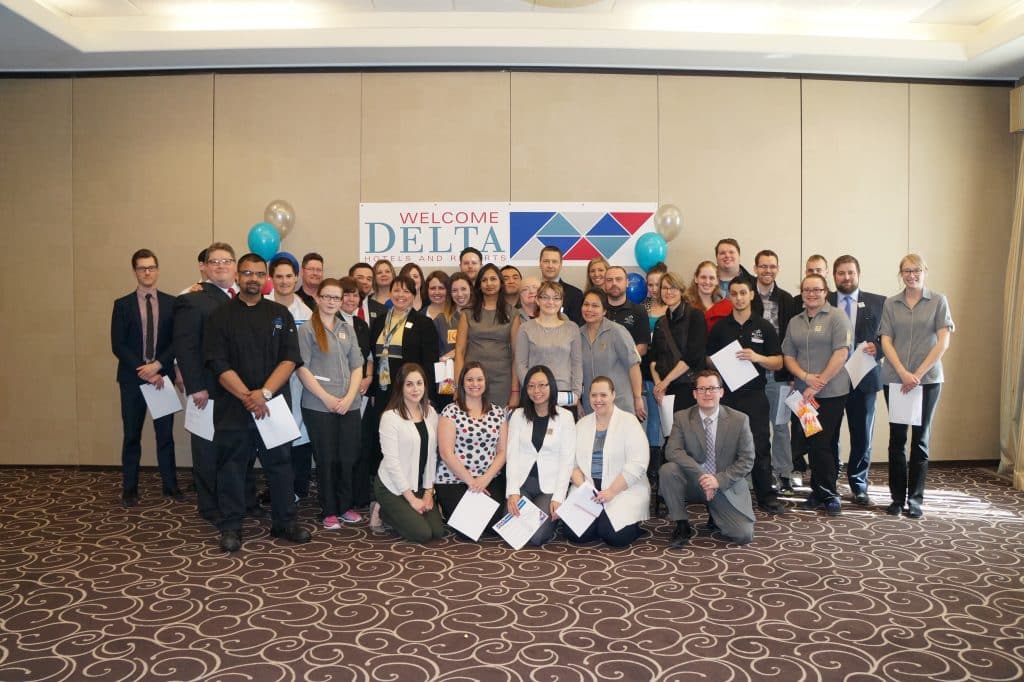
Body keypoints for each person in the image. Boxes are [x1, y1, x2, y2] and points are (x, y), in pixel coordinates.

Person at [204, 253, 311, 552]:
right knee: (233, 468)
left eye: (258, 273)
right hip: (232, 406)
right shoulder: (220, 315)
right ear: (238, 277)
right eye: (247, 273)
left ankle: (284, 522)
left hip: (273, 405)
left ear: (266, 278)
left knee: (280, 466)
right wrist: (247, 397)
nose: (253, 278)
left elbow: (290, 359)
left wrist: (263, 394)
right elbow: (217, 362)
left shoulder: (280, 314)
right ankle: (231, 527)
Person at [879, 254, 954, 519]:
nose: (912, 275)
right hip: (896, 380)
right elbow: (886, 341)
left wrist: (918, 374)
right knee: (897, 439)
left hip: (928, 381)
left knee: (920, 440)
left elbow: (943, 342)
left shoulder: (938, 301)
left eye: (916, 270)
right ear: (901, 274)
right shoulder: (891, 303)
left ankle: (916, 499)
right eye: (906, 270)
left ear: (925, 271)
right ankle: (897, 498)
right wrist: (902, 372)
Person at [707, 278, 785, 514]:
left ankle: (766, 496)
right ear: (728, 297)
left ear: (752, 295)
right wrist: (722, 358)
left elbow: (779, 362)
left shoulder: (764, 326)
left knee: (760, 445)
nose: (738, 298)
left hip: (755, 395)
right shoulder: (720, 328)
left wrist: (757, 358)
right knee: (725, 448)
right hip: (727, 397)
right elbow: (707, 359)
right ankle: (725, 495)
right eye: (734, 293)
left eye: (743, 293)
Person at [174, 242, 240, 523]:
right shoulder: (192, 299)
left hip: (236, 389)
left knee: (233, 449)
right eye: (215, 262)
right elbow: (185, 347)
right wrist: (195, 386)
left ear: (235, 266)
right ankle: (209, 506)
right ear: (205, 267)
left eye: (226, 261)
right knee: (206, 449)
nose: (221, 266)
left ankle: (235, 500)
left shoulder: (241, 298)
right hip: (207, 389)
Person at [111, 248, 179, 507]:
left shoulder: (172, 303)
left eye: (151, 267)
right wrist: (144, 369)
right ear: (135, 272)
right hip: (132, 380)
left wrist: (158, 366)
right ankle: (129, 489)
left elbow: (176, 341)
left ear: (158, 270)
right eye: (142, 268)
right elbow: (118, 345)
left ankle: (170, 486)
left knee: (165, 436)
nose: (147, 272)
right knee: (131, 435)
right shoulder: (122, 305)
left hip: (162, 378)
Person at [781, 273, 852, 517]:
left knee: (823, 442)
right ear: (802, 293)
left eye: (817, 290)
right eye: (807, 290)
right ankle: (819, 490)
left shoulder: (837, 317)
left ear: (825, 292)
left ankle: (829, 493)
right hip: (804, 394)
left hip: (831, 392)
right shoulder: (795, 322)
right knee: (815, 442)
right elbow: (788, 355)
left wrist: (818, 382)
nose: (812, 294)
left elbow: (841, 354)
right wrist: (804, 377)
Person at [659, 370, 755, 548]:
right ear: (695, 394)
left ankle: (715, 513)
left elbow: (747, 460)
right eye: (702, 389)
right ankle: (682, 524)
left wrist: (718, 480)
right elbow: (672, 451)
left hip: (724, 484)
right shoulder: (682, 417)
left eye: (712, 388)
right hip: (694, 482)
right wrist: (703, 475)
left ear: (721, 392)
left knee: (743, 534)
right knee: (668, 470)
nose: (707, 393)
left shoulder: (740, 420)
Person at [297, 279, 365, 528]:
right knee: (326, 459)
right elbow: (301, 368)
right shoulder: (307, 330)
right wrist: (326, 398)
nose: (331, 302)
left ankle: (345, 506)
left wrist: (349, 397)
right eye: (327, 297)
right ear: (317, 298)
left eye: (336, 298)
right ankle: (328, 510)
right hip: (319, 405)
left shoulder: (346, 327)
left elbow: (357, 365)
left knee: (348, 457)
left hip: (349, 404)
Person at [556, 377, 649, 547]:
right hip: (588, 487)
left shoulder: (629, 421)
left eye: (603, 395)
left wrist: (612, 491)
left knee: (615, 537)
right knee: (574, 534)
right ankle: (600, 518)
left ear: (613, 395)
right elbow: (571, 461)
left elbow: (638, 463)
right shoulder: (582, 424)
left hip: (621, 488)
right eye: (594, 395)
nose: (598, 400)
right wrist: (584, 488)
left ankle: (630, 526)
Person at [828, 255, 885, 506]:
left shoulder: (879, 303)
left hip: (864, 379)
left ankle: (859, 484)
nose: (846, 277)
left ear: (858, 274)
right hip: (831, 379)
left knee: (862, 434)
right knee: (828, 434)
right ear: (834, 276)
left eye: (850, 272)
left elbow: (890, 337)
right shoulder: (824, 300)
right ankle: (828, 483)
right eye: (841, 273)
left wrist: (879, 348)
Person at [368, 275, 440, 474]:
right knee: (384, 439)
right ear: (390, 293)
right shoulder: (381, 320)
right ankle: (384, 486)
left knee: (408, 439)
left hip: (410, 392)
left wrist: (427, 395)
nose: (401, 295)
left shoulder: (423, 323)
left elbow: (429, 363)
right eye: (397, 290)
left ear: (414, 294)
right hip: (383, 390)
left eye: (406, 291)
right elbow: (372, 356)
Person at [504, 365, 576, 546]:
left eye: (542, 385)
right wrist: (512, 492)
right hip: (523, 484)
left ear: (551, 386)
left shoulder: (566, 417)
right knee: (509, 529)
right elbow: (511, 455)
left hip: (549, 488)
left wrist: (559, 498)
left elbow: (567, 461)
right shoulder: (518, 415)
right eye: (531, 386)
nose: (537, 391)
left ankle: (551, 516)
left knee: (536, 537)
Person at [374, 363, 445, 543]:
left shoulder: (430, 413)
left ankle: (404, 509)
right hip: (392, 486)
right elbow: (392, 464)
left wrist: (429, 492)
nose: (415, 389)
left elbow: (432, 455)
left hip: (419, 484)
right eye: (409, 384)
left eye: (419, 383)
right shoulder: (390, 417)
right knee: (422, 533)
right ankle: (383, 510)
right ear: (400, 387)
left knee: (437, 531)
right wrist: (412, 500)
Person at [434, 362, 508, 533]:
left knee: (491, 526)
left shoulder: (497, 413)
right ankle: (445, 509)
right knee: (467, 530)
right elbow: (446, 453)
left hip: (489, 479)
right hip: (455, 479)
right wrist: (472, 482)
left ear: (486, 382)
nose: (475, 384)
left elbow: (502, 452)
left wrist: (484, 480)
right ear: (462, 383)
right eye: (470, 380)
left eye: (479, 379)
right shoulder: (451, 411)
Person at [265, 256, 314, 501]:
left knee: (299, 431)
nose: (284, 281)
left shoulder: (306, 311)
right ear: (271, 279)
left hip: (298, 380)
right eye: (279, 276)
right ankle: (276, 487)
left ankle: (298, 488)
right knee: (272, 434)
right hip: (266, 381)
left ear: (296, 278)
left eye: (288, 276)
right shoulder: (261, 305)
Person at [753, 249, 800, 495]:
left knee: (780, 425)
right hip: (751, 374)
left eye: (772, 266)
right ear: (755, 268)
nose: (767, 270)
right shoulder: (747, 296)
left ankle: (784, 473)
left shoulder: (787, 299)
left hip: (780, 373)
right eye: (763, 266)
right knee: (753, 427)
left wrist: (792, 374)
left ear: (777, 269)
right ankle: (756, 473)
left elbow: (792, 339)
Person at [456, 263, 520, 408]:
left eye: (493, 279)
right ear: (478, 285)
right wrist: (457, 387)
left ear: (500, 283)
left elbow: (517, 355)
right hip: (472, 382)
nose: (489, 283)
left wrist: (515, 391)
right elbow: (459, 352)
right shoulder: (467, 313)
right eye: (484, 280)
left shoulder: (513, 314)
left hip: (502, 381)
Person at [336, 276, 375, 510]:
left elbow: (369, 357)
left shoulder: (361, 325)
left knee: (359, 445)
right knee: (342, 448)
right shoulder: (331, 321)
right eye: (346, 294)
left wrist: (369, 377)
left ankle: (359, 497)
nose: (351, 299)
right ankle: (341, 499)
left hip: (361, 393)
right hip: (339, 393)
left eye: (355, 295)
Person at [515, 281, 583, 410]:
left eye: (556, 298)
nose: (550, 302)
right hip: (535, 395)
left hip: (564, 394)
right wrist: (533, 388)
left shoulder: (572, 328)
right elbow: (520, 364)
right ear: (537, 300)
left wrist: (576, 394)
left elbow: (577, 363)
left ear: (562, 301)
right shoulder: (525, 328)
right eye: (545, 297)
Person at [580, 289, 644, 418]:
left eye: (595, 306)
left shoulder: (617, 331)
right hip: (591, 406)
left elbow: (633, 365)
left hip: (619, 403)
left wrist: (637, 398)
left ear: (604, 311)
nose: (589, 309)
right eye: (586, 304)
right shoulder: (577, 334)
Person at [650, 272, 707, 413]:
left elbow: (693, 356)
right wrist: (658, 385)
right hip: (666, 391)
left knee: (691, 433)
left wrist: (666, 381)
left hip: (689, 388)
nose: (668, 292)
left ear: (681, 290)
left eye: (673, 288)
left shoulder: (696, 316)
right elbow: (653, 359)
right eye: (664, 288)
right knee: (671, 434)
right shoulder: (660, 322)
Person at [603, 266, 650, 358]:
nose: (614, 283)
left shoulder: (639, 311)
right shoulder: (597, 310)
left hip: (629, 369)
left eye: (618, 279)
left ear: (627, 283)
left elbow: (642, 348)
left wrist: (619, 363)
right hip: (600, 369)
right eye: (609, 280)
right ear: (604, 284)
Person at [539, 245, 584, 325]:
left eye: (554, 261)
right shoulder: (532, 291)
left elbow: (576, 327)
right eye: (546, 261)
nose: (550, 265)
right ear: (540, 264)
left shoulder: (575, 294)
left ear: (560, 264)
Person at [685, 260, 732, 332]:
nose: (707, 282)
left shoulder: (728, 307)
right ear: (696, 279)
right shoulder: (685, 305)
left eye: (711, 278)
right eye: (703, 277)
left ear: (717, 281)